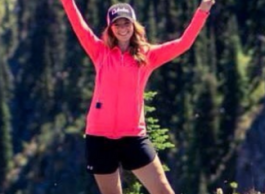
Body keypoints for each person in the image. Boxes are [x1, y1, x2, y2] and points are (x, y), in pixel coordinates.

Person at [60, 0, 215, 194]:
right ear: (110, 28)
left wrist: (202, 11)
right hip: (99, 137)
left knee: (163, 191)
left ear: (134, 25)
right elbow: (78, 25)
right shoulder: (99, 51)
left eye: (126, 23)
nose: (122, 28)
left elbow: (183, 44)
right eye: (117, 24)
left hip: (133, 136)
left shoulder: (148, 55)